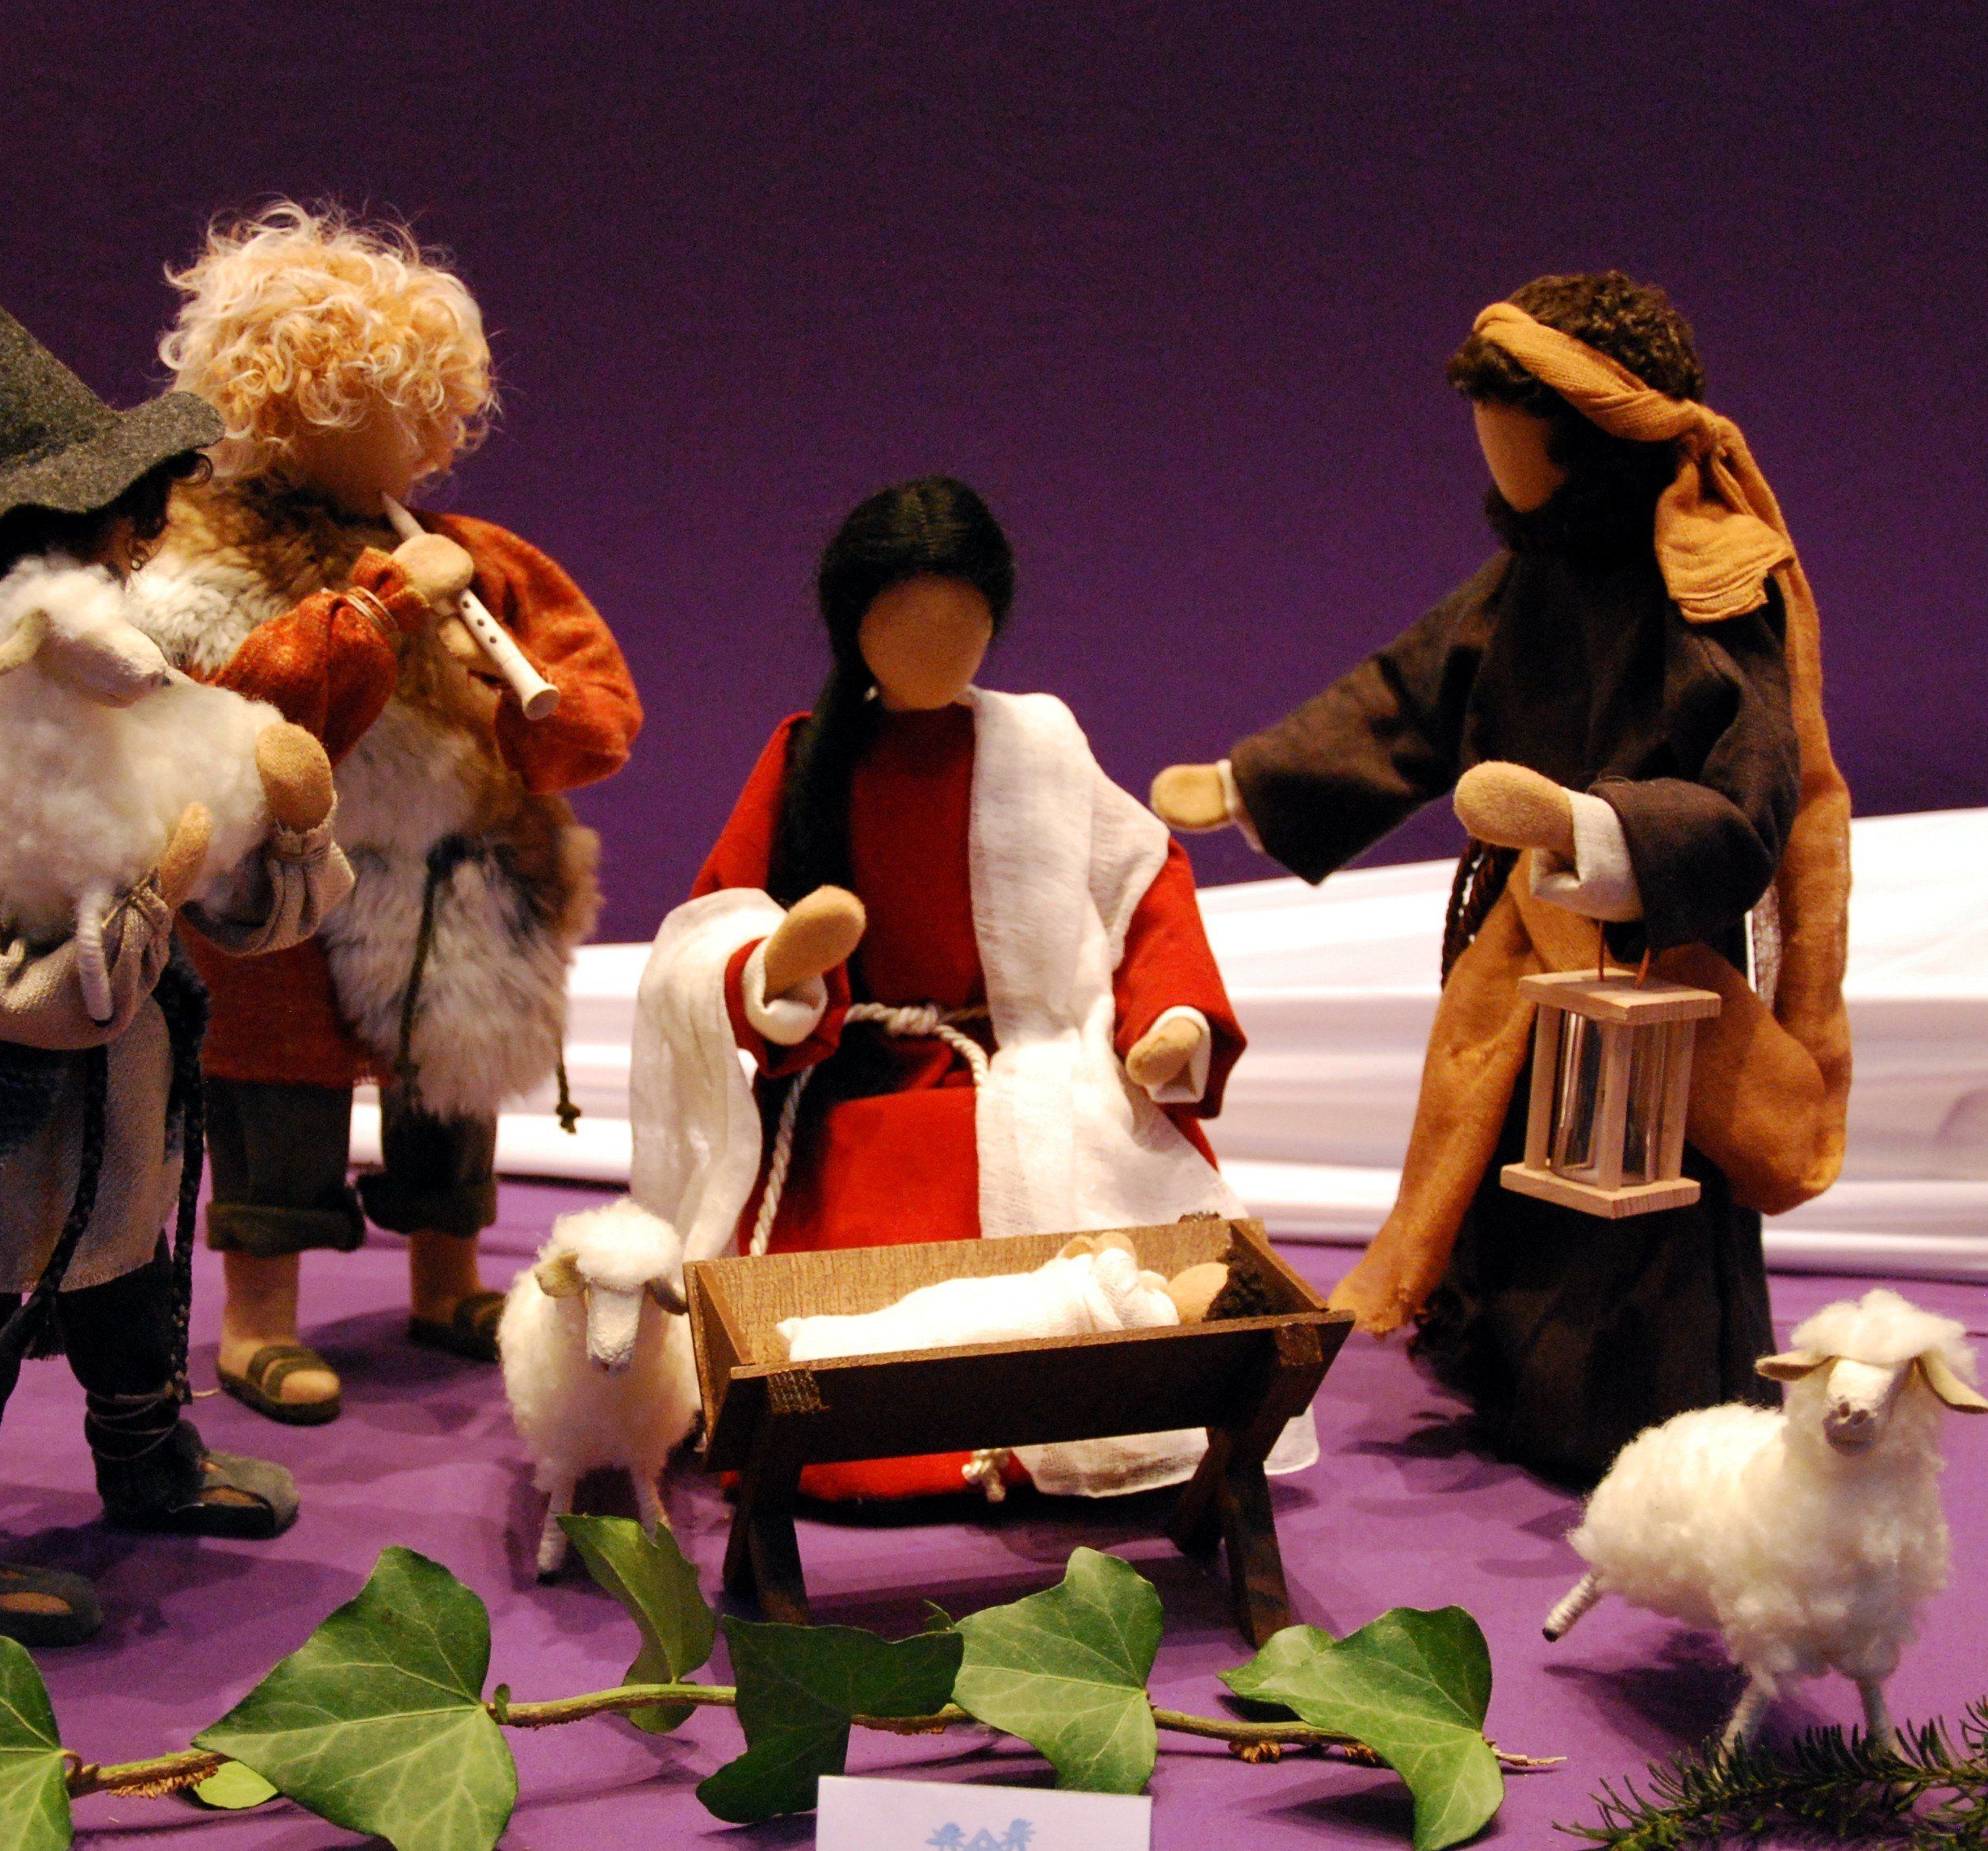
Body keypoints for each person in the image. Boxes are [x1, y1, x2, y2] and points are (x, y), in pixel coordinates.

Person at [1149, 271, 1851, 1482]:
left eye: (1508, 434)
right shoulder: (1532, 573)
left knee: (1636, 1185)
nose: (1491, 459)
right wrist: (1257, 780)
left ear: (1585, 442)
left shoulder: (1710, 582)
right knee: (1509, 1150)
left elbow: (1752, 796)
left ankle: (1634, 1412)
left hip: (1649, 953)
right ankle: (1503, 1368)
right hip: (1512, 932)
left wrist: (1596, 831)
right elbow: (1414, 688)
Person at [0, 278, 354, 1643]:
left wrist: (284, 829)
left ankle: (148, 1452)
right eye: (114, 524)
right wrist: (140, 914)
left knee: (129, 1279)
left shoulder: (108, 689)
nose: (138, 546)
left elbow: (237, 893)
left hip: (116, 1092)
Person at [636, 476, 1295, 1501]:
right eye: (903, 629)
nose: (935, 655)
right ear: (852, 627)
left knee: (1107, 1192)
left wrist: (1168, 1014)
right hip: (852, 1076)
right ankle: (883, 1441)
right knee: (867, 1226)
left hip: (1024, 1059)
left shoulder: (1040, 749)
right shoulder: (807, 758)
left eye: (962, 629)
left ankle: (1053, 1426)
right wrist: (773, 970)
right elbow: (714, 920)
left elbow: (1140, 880)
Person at [130, 206, 641, 1425]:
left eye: (431, 409)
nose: (424, 439)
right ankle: (260, 1320)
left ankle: (447, 1278)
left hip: (456, 880)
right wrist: (378, 610)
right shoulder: (193, 567)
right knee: (274, 1103)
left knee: (449, 1094)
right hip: (282, 890)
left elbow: (598, 717)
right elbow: (238, 714)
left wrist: (524, 703)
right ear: (285, 407)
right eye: (388, 409)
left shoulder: (480, 559)